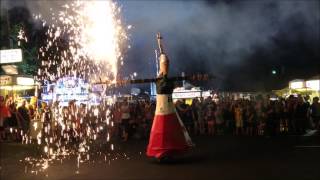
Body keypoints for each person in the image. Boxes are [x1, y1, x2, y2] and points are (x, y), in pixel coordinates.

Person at [147, 33, 193, 160]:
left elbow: (163, 53)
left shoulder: (167, 79)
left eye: (167, 64)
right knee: (163, 130)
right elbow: (162, 54)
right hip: (162, 107)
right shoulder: (159, 78)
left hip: (168, 106)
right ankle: (162, 151)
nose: (166, 66)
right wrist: (159, 42)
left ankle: (171, 150)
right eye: (164, 64)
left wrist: (159, 42)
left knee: (170, 130)